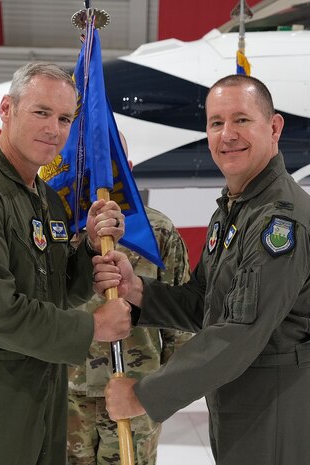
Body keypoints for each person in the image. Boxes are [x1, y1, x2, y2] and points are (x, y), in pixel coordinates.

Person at [93, 74, 310, 465]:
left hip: (280, 411)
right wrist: (136, 290)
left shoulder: (280, 221)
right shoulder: (235, 209)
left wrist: (145, 394)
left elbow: (240, 333)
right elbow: (205, 304)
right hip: (243, 403)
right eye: (216, 123)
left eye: (241, 119)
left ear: (274, 127)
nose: (227, 134)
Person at [0, 62, 132, 465]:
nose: (54, 129)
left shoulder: (46, 200)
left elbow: (56, 293)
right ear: (7, 109)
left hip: (44, 399)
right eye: (41, 112)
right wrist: (94, 326)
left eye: (65, 118)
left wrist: (89, 254)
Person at [67, 133, 192, 465]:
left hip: (134, 394)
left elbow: (181, 326)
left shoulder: (157, 233)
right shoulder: (59, 232)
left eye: (111, 167)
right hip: (66, 397)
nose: (100, 178)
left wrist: (158, 393)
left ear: (128, 169)